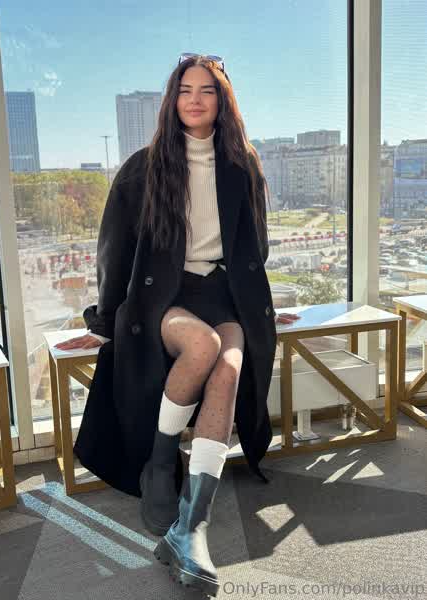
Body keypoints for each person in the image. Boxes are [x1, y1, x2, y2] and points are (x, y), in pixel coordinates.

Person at [54, 53, 299, 597]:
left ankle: (191, 525)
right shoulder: (143, 167)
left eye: (207, 90)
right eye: (185, 90)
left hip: (222, 292)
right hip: (161, 293)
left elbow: (255, 247)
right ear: (172, 100)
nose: (194, 99)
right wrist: (105, 319)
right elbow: (113, 251)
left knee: (229, 367)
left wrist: (260, 304)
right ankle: (160, 464)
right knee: (203, 345)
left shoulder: (243, 165)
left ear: (222, 101)